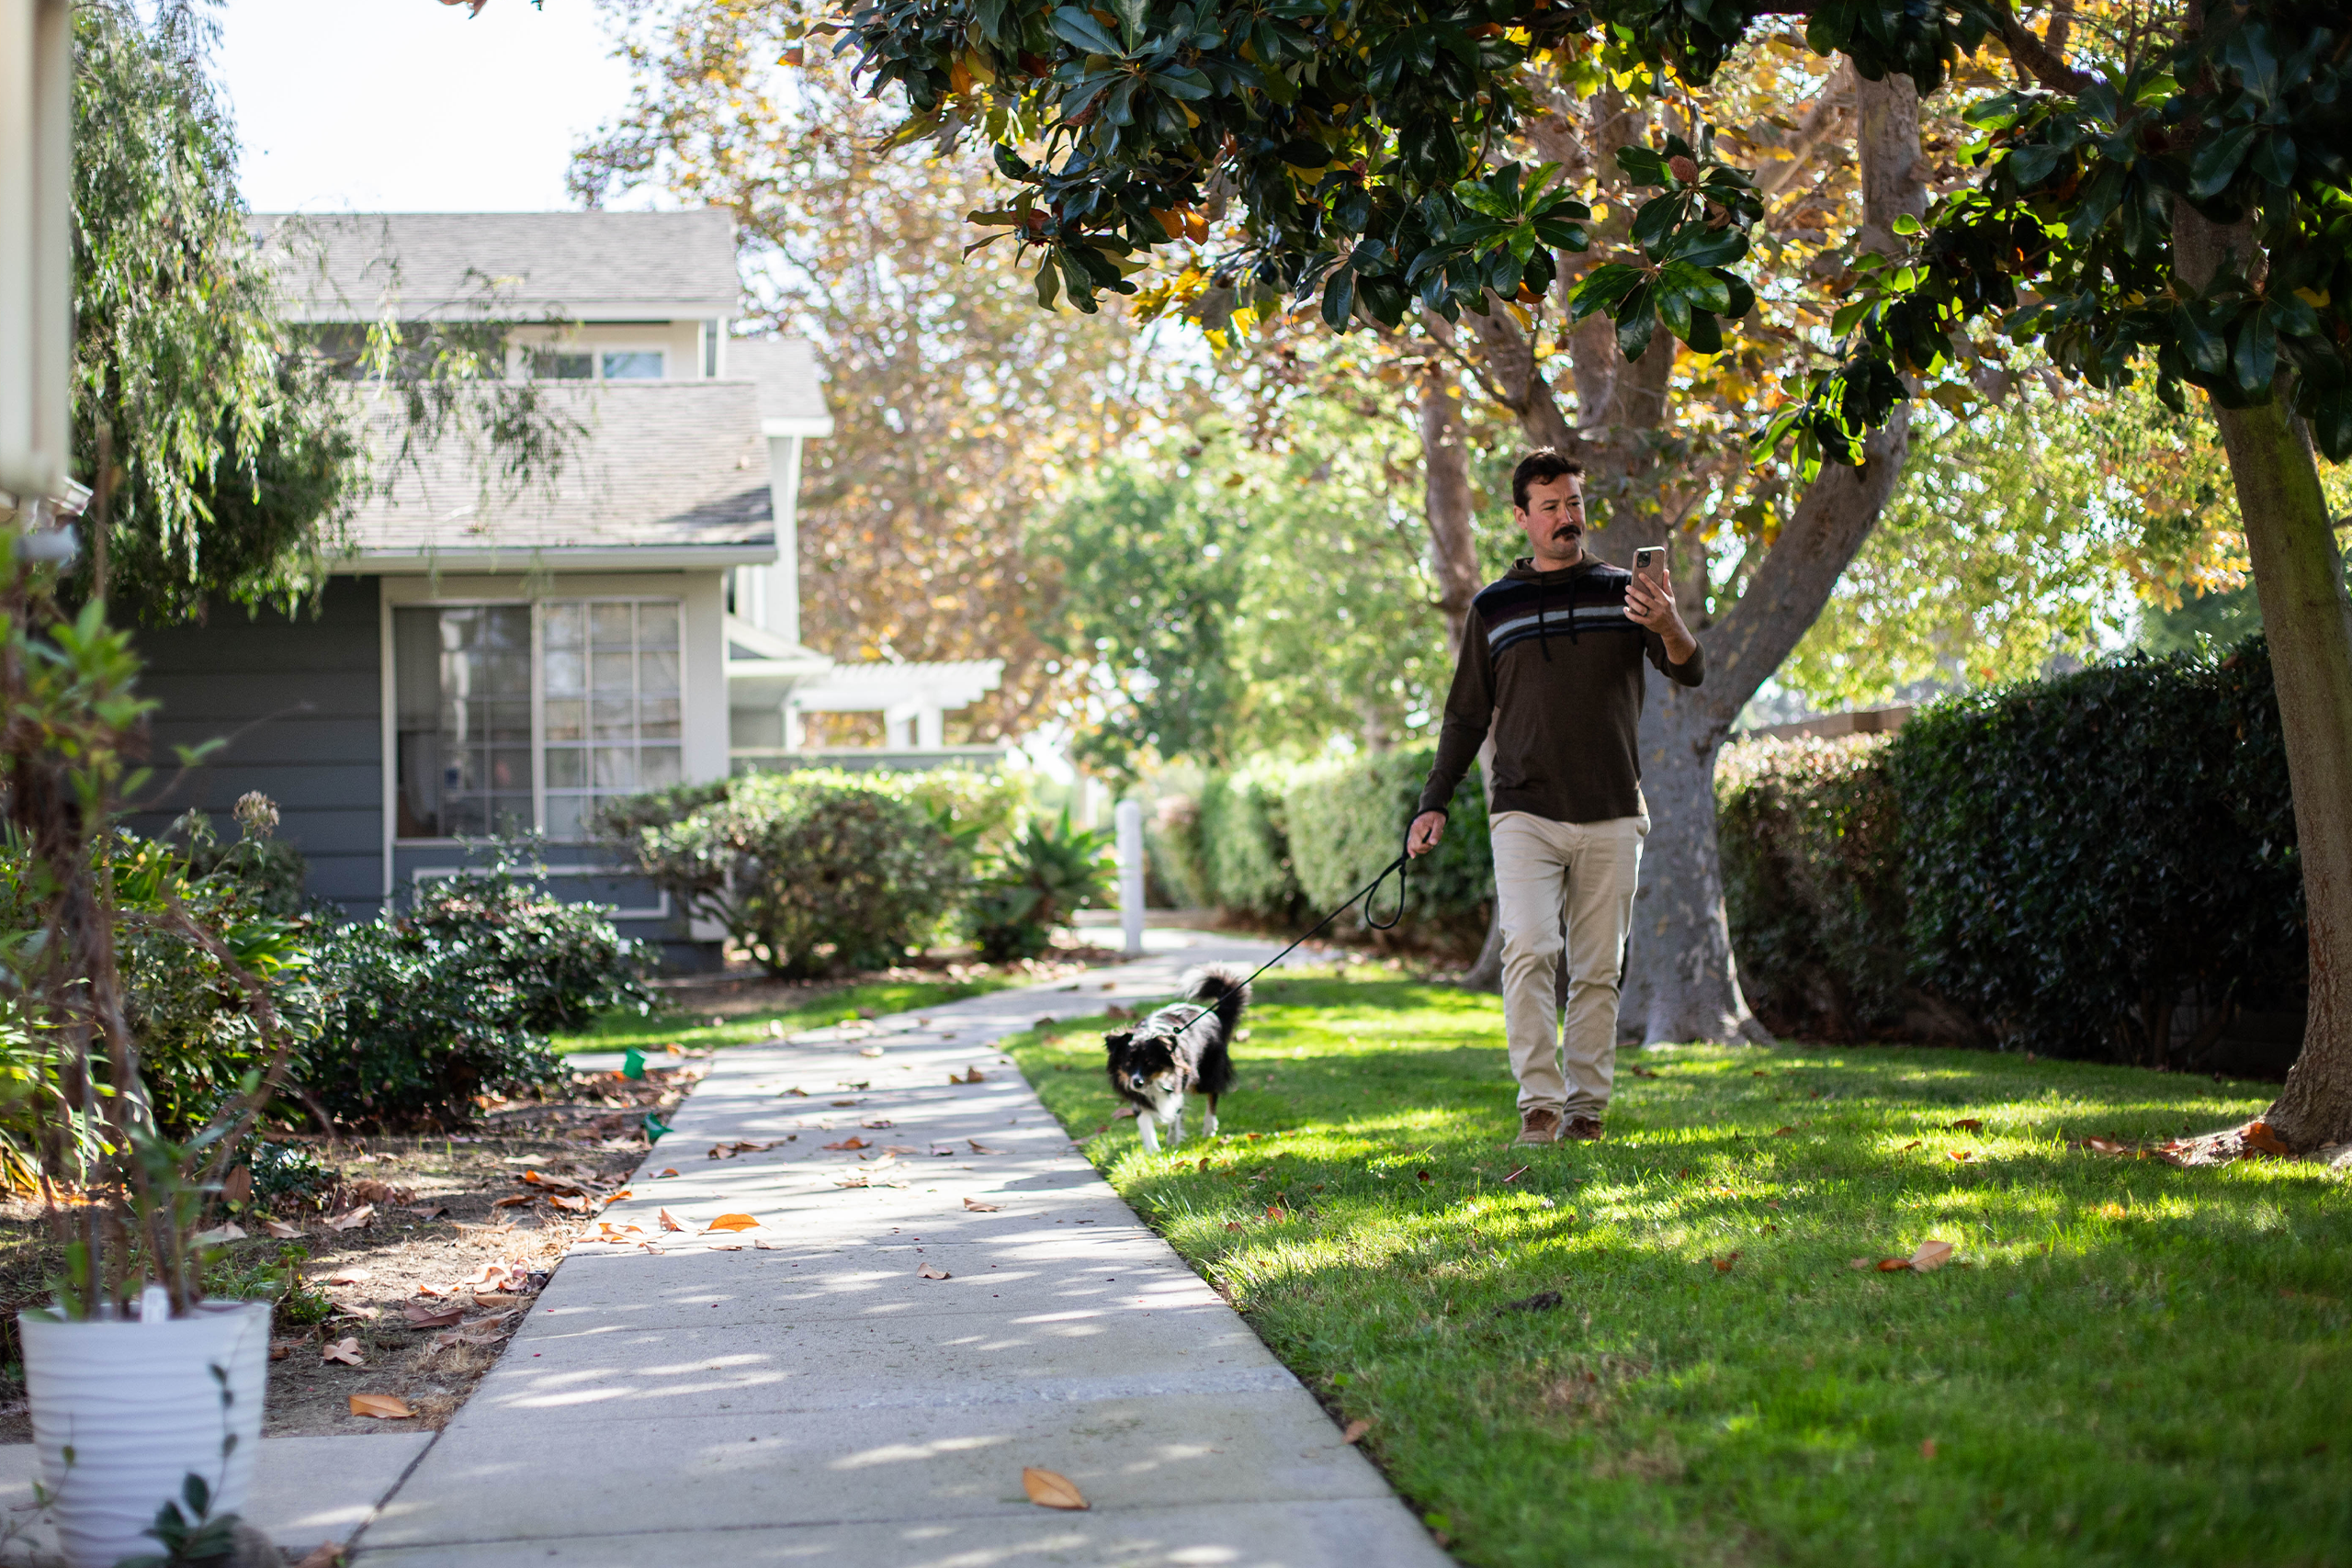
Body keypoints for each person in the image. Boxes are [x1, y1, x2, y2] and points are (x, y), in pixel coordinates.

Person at [1407, 450, 1702, 1145]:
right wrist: (1433, 801)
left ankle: (1586, 1111)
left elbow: (1690, 671)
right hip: (1524, 809)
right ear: (1521, 517)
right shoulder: (1493, 607)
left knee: (1598, 969)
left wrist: (1665, 623)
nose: (1568, 517)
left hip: (1612, 807)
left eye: (1574, 502)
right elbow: (1465, 717)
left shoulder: (1622, 591)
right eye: (1551, 506)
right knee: (1531, 947)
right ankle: (1539, 1104)